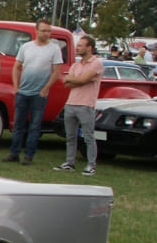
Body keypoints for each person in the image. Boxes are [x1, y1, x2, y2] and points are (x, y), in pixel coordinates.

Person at [6, 18, 62, 165]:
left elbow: (56, 71)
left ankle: (28, 155)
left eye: (49, 31)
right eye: (43, 30)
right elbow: (16, 66)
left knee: (35, 126)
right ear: (36, 31)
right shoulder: (26, 47)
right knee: (18, 124)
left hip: (39, 94)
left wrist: (45, 89)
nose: (47, 33)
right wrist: (15, 87)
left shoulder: (54, 49)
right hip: (22, 92)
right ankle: (14, 152)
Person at [54, 34, 101, 175]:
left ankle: (91, 164)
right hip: (71, 103)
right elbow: (66, 82)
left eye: (80, 45)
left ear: (89, 47)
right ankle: (69, 162)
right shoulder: (75, 64)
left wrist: (75, 79)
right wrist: (77, 79)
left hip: (86, 105)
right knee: (70, 136)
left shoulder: (96, 63)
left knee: (88, 136)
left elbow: (82, 80)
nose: (77, 48)